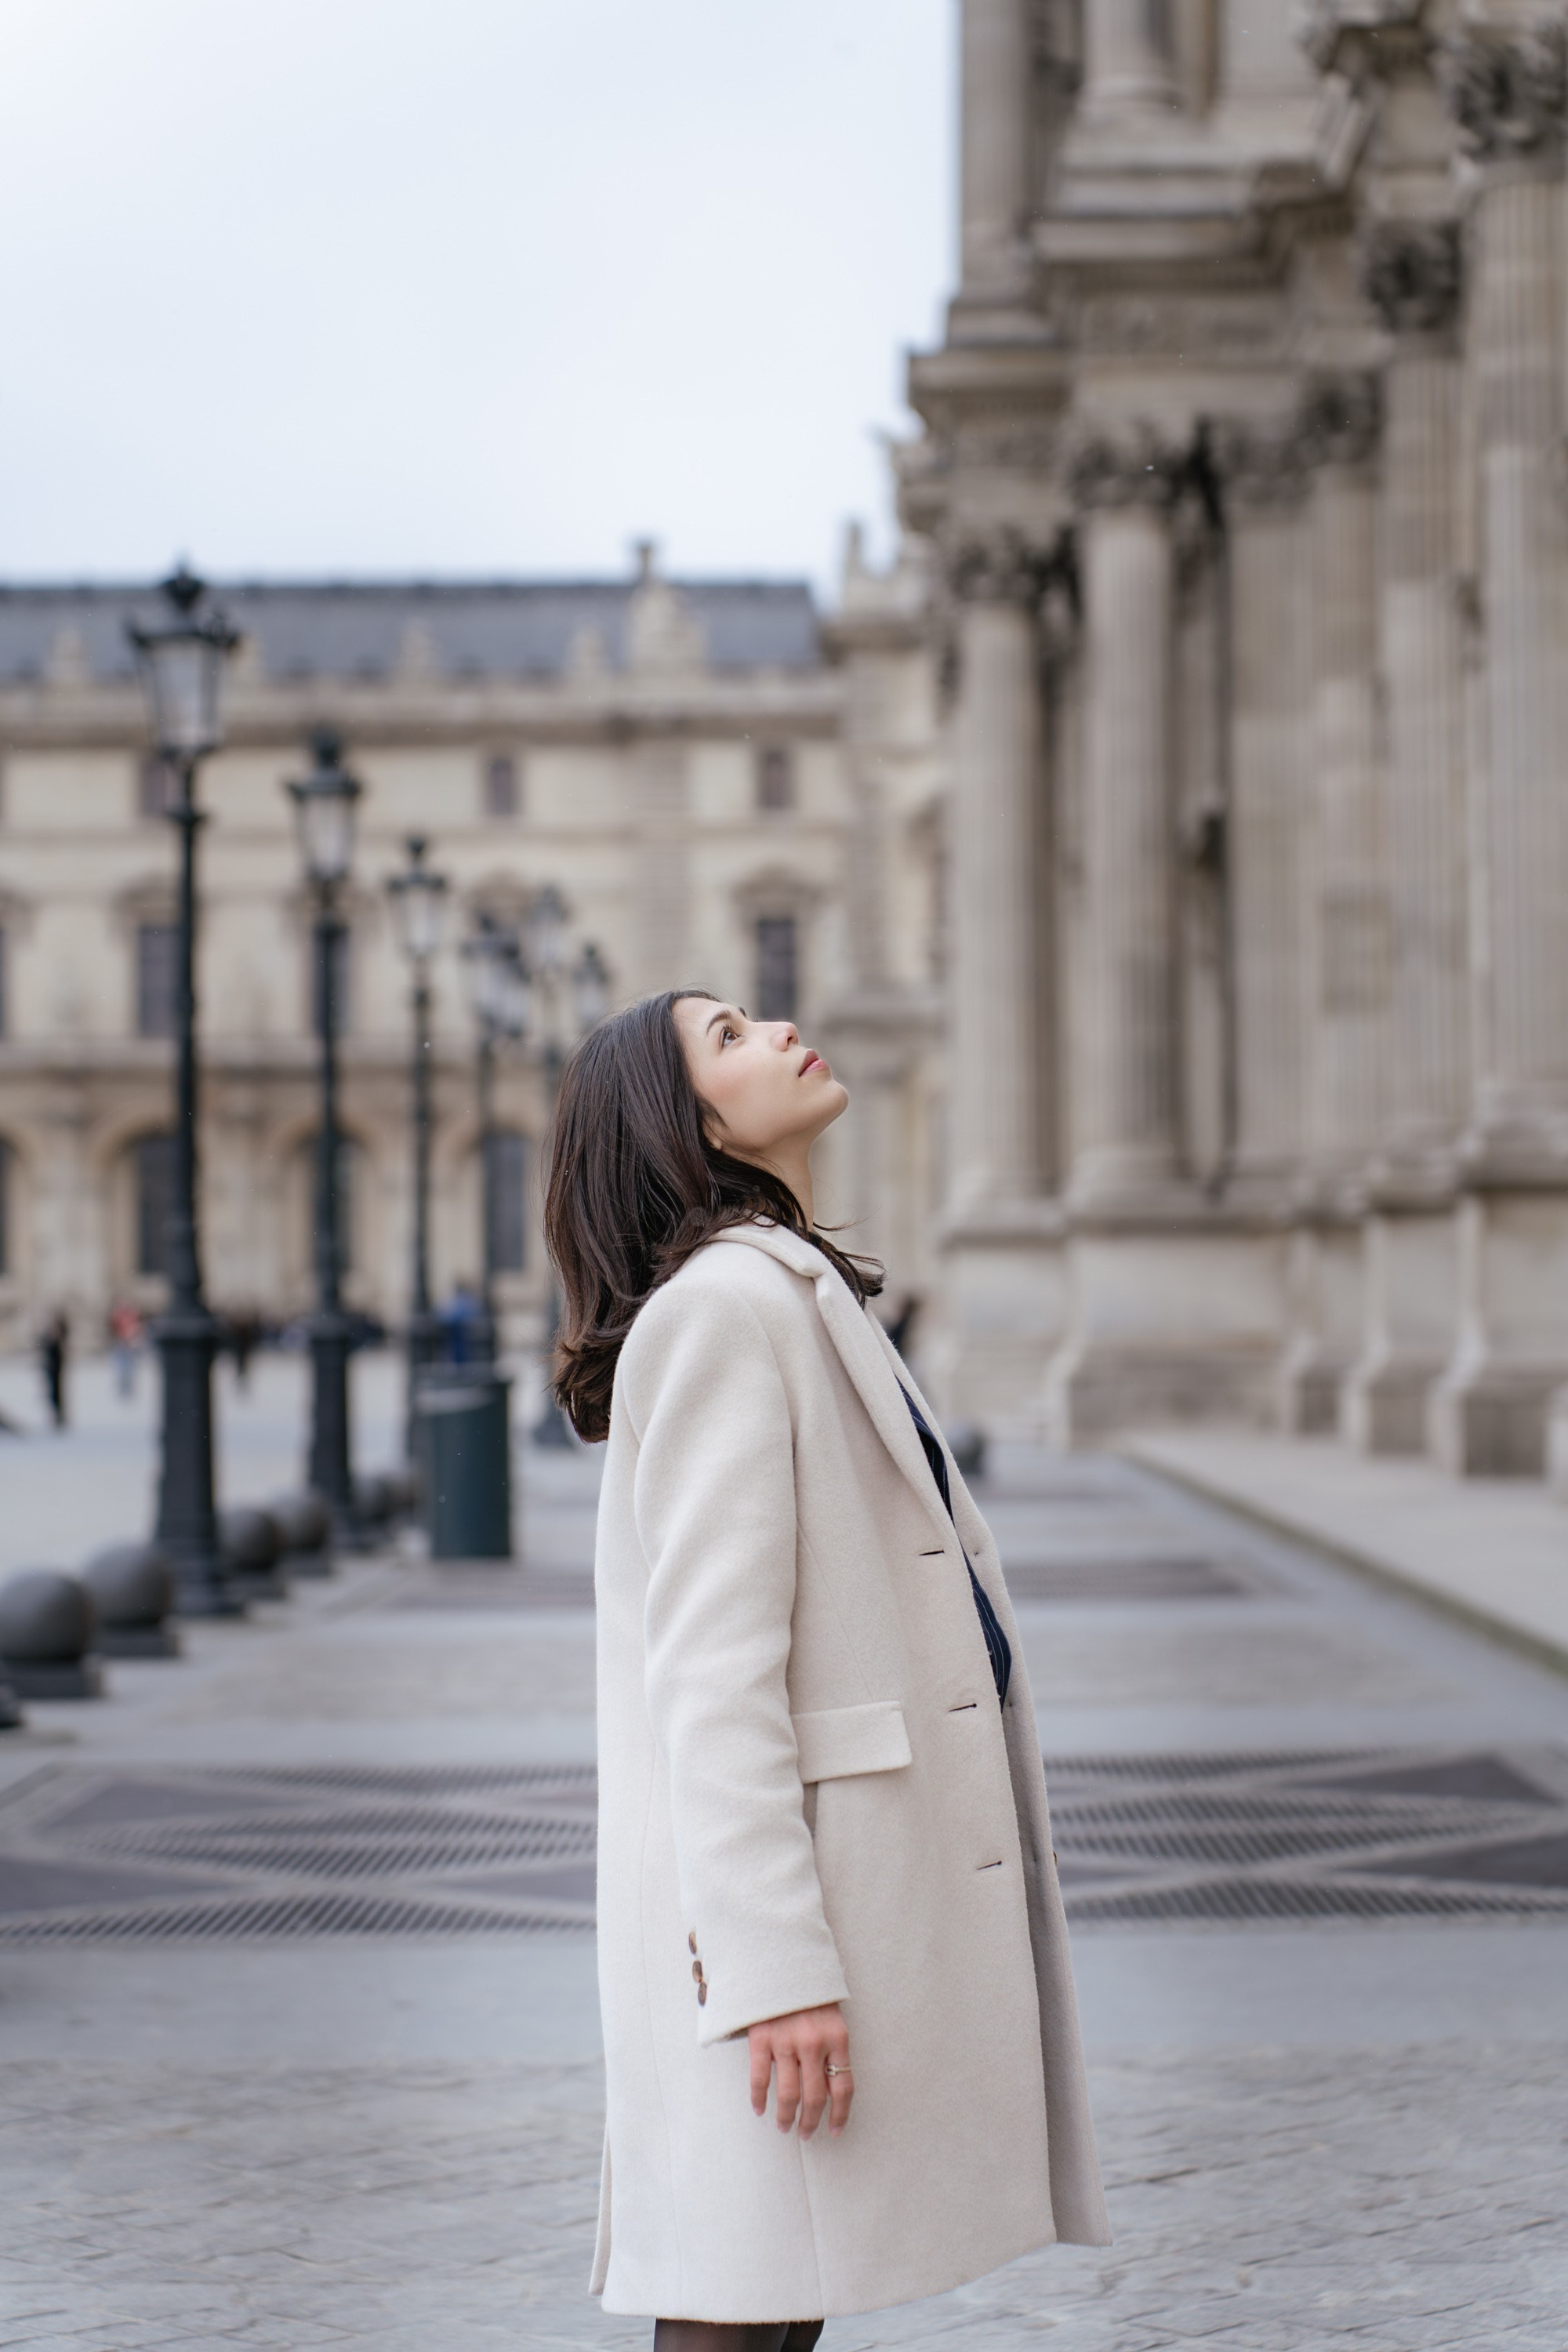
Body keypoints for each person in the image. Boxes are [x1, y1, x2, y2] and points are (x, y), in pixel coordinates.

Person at [544, 992, 1109, 2351]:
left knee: (776, 2293)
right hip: (790, 1907)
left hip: (844, 1878)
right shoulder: (726, 1313)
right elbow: (714, 1679)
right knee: (744, 2303)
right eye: (728, 1040)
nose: (779, 1028)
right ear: (693, 1126)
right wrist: (772, 1965)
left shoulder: (784, 1284)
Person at [38, 1311, 68, 1429]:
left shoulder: (58, 1343)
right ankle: (55, 1415)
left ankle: (59, 1416)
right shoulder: (48, 1340)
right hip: (51, 1371)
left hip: (56, 1372)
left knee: (57, 1393)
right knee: (52, 1394)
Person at [107, 1300, 143, 1400]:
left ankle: (129, 1388)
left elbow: (137, 1328)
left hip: (130, 1344)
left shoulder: (133, 1316)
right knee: (121, 1368)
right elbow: (113, 1327)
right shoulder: (118, 1316)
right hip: (121, 1344)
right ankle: (123, 1388)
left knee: (129, 1368)